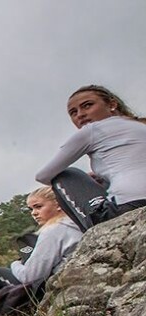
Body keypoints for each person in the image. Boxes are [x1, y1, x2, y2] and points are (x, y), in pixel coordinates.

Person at [36, 85, 146, 232]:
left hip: (130, 204)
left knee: (65, 175)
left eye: (87, 106)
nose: (80, 115)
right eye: (73, 113)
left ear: (112, 104)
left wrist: (86, 182)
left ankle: (93, 233)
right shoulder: (140, 125)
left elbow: (44, 176)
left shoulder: (92, 130)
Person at [0, 186, 82, 316]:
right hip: (70, 287)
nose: (34, 213)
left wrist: (16, 264)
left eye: (38, 207)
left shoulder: (54, 231)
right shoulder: (77, 224)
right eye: (31, 209)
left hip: (49, 291)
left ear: (58, 204)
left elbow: (30, 277)